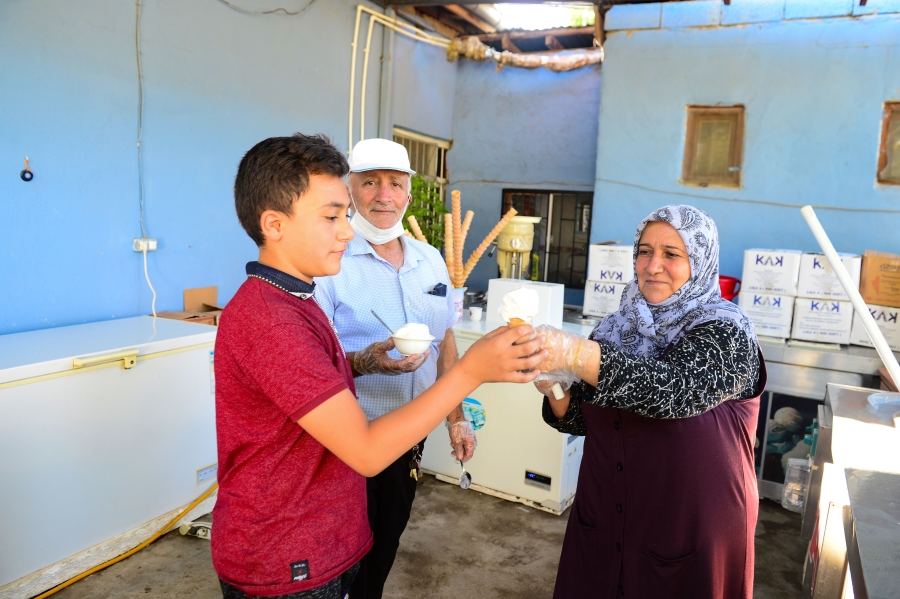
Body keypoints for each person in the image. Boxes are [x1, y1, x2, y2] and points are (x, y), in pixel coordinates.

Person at [211, 133, 545, 599]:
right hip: (290, 554)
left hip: (332, 517)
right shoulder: (272, 319)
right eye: (334, 215)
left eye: (344, 216)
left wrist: (454, 414)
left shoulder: (300, 297)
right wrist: (471, 371)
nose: (348, 230)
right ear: (274, 224)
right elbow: (364, 450)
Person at [532, 204, 766, 599]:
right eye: (644, 251)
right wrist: (555, 385)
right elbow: (582, 420)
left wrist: (575, 353)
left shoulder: (728, 332)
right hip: (608, 515)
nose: (652, 265)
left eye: (672, 254)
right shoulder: (614, 328)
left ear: (702, 261)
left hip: (688, 525)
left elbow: (673, 389)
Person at [314, 137, 477, 599]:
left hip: (409, 438)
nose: (384, 195)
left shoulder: (430, 261)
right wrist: (365, 362)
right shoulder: (331, 262)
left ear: (408, 191)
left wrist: (456, 416)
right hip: (347, 440)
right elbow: (313, 361)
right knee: (342, 556)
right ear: (350, 189)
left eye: (395, 183)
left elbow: (445, 339)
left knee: (385, 543)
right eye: (370, 183)